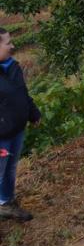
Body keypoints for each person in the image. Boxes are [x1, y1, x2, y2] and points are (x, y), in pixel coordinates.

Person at [0, 27, 40, 223]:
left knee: (10, 169)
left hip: (16, 131)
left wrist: (33, 113)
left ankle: (6, 203)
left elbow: (22, 94)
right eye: (7, 43)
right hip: (2, 136)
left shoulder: (13, 66)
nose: (12, 46)